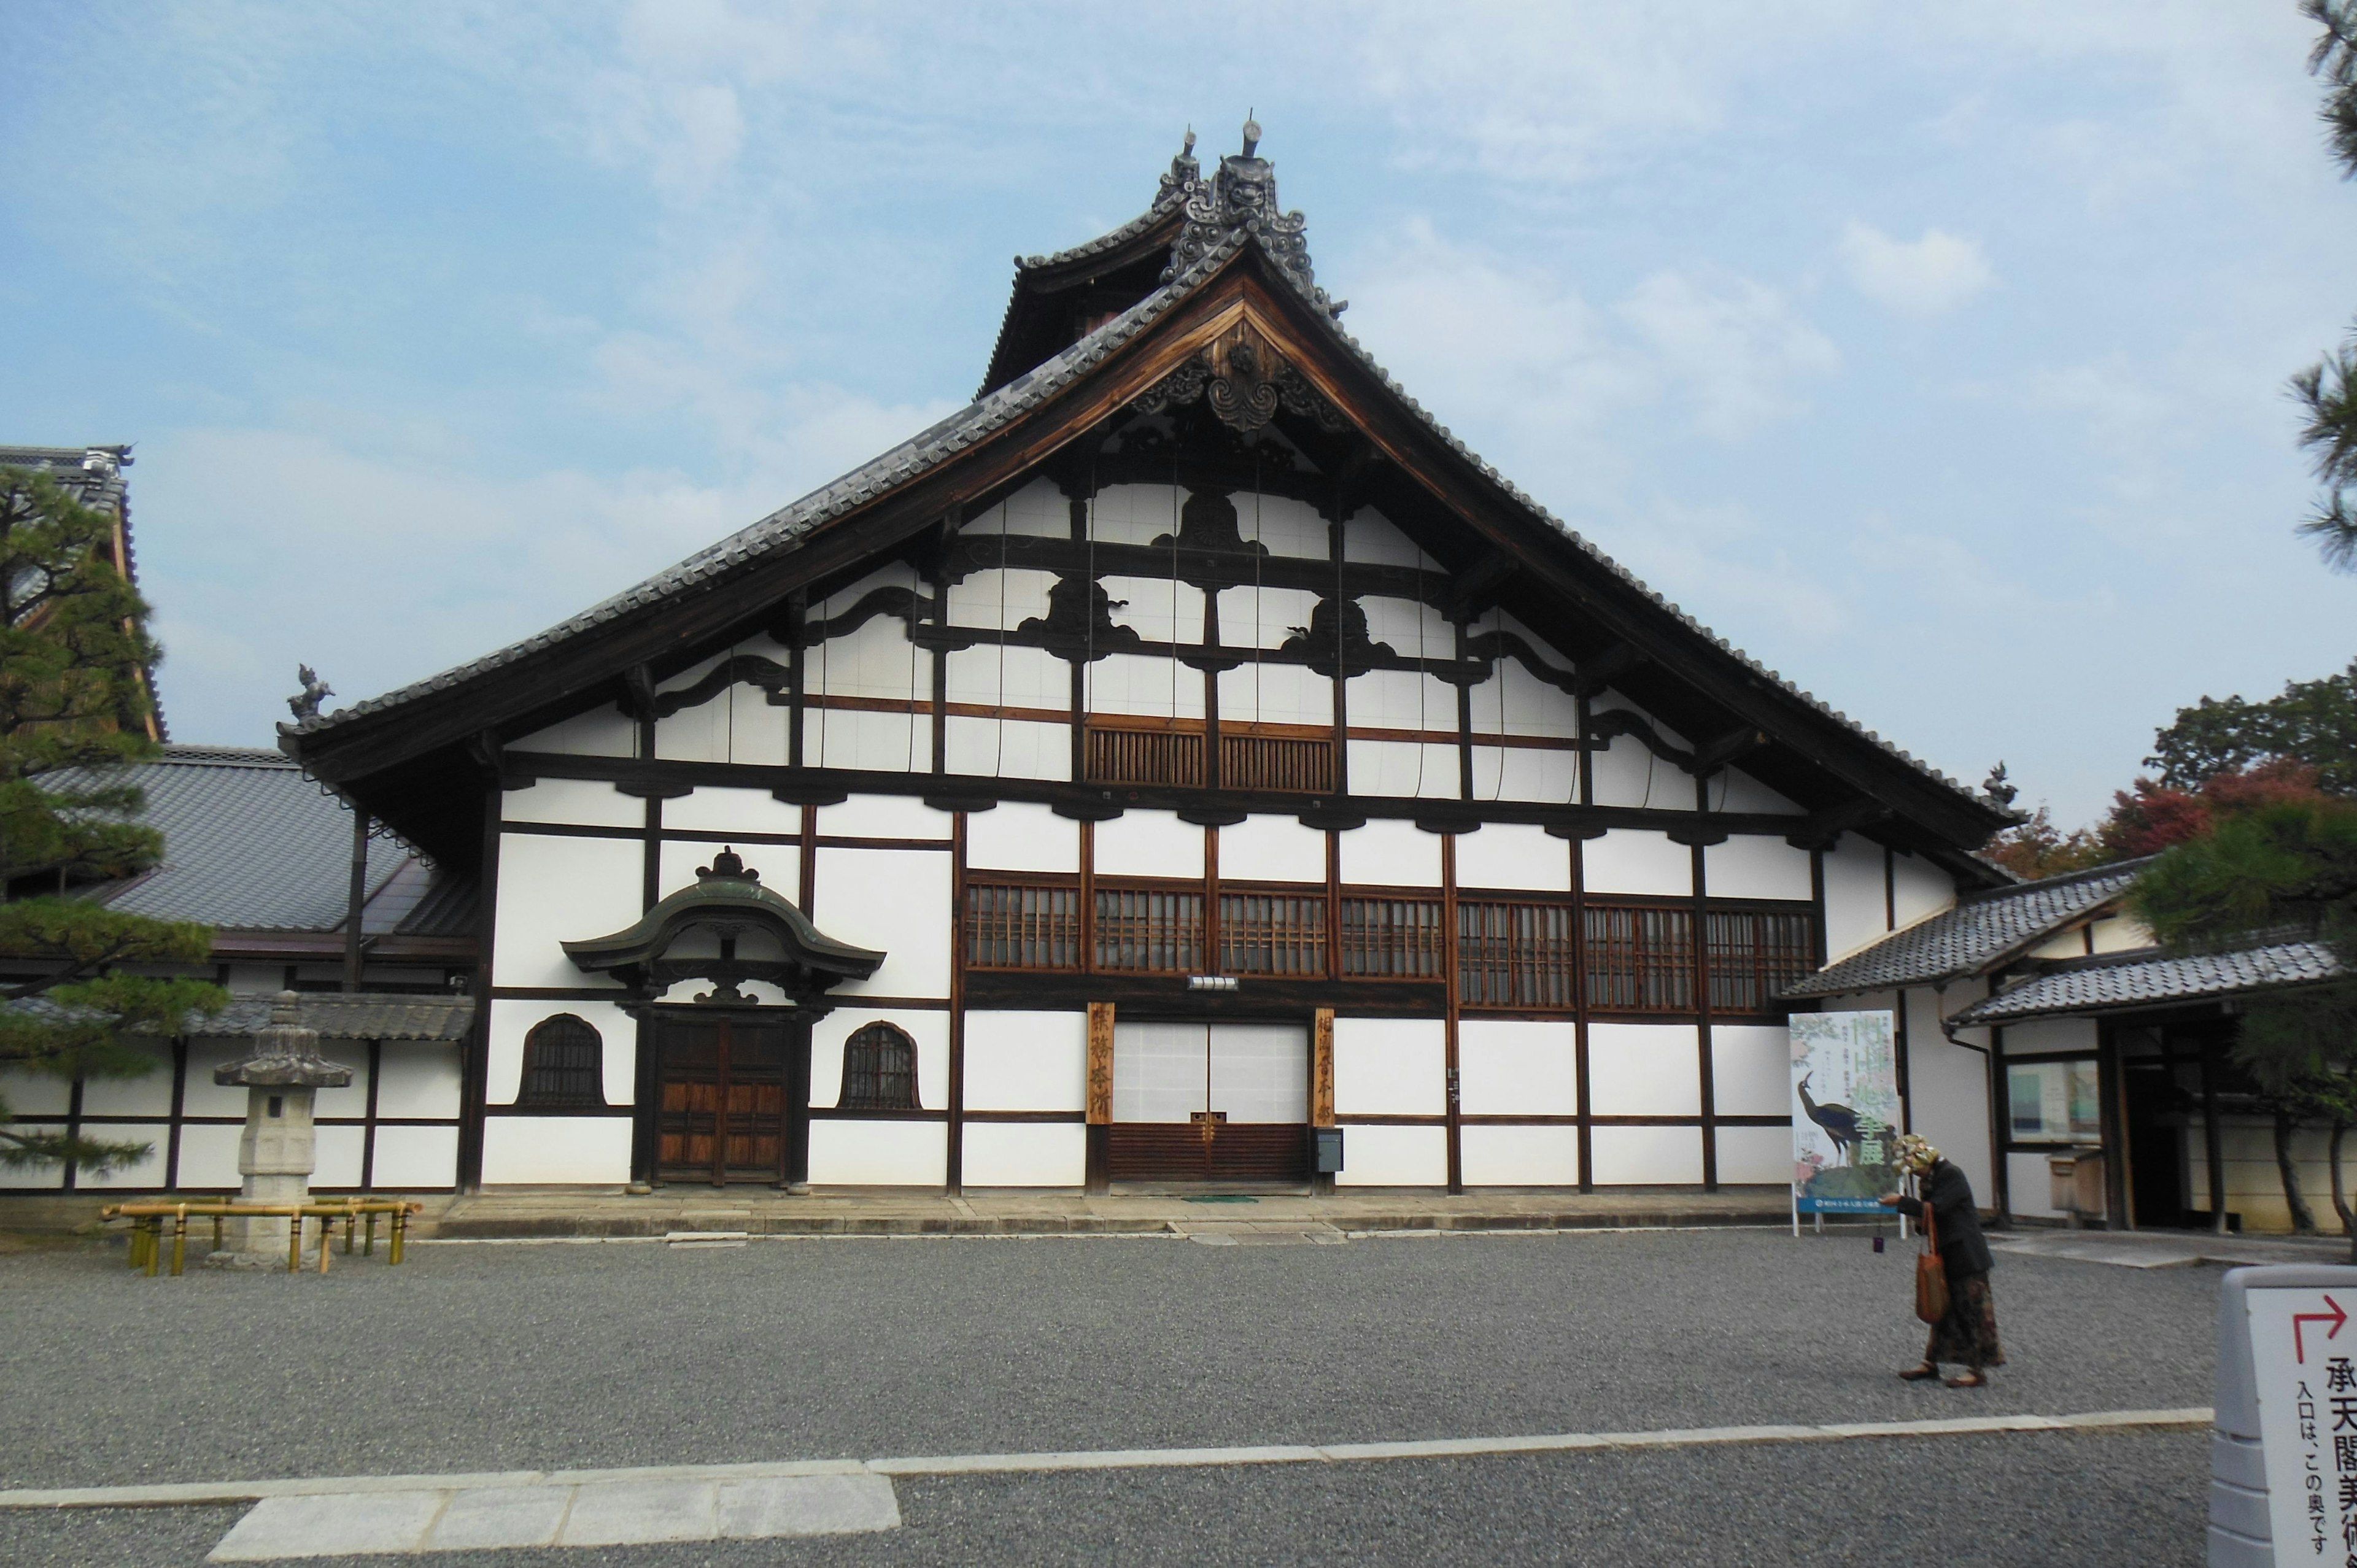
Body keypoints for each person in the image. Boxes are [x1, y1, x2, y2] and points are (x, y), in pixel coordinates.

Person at [1878, 1133, 2004, 1388]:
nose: (1915, 1173)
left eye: (1915, 1168)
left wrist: (1902, 1202)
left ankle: (1977, 1369)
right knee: (1942, 1309)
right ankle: (1931, 1362)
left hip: (1967, 1254)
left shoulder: (1950, 1174)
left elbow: (1937, 1208)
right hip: (1946, 1252)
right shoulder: (1931, 1178)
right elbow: (1929, 1214)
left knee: (1974, 1311)